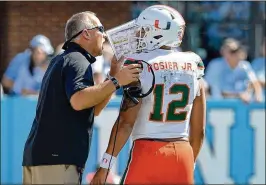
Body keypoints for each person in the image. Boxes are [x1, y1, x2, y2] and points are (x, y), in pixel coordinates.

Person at [91, 5, 206, 185]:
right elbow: (199, 132)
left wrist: (105, 165)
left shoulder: (140, 64)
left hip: (148, 151)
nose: (140, 35)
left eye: (145, 30)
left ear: (159, 33)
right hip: (183, 152)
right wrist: (188, 163)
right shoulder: (193, 63)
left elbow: (125, 123)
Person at [22, 11, 141, 184]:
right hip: (57, 160)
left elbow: (95, 109)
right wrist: (116, 81)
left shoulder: (66, 58)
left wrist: (113, 75)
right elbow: (78, 101)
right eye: (100, 29)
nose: (105, 36)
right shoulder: (78, 59)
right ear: (86, 33)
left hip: (45, 158)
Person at [205, 38, 263, 103]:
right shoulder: (215, 65)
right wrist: (240, 95)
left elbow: (255, 82)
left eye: (235, 51)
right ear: (222, 51)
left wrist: (258, 94)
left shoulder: (245, 65)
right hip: (219, 106)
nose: (233, 53)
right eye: (231, 51)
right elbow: (218, 91)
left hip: (242, 105)